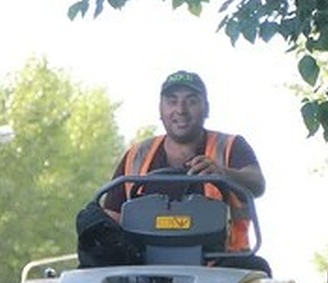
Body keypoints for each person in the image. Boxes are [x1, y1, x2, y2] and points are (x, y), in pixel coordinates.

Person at [101, 70, 266, 252]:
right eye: (172, 101)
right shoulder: (136, 155)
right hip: (143, 271)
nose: (181, 110)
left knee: (261, 272)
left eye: (191, 101)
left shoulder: (231, 146)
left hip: (225, 267)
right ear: (160, 109)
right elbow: (110, 219)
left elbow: (257, 185)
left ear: (206, 108)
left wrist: (223, 174)